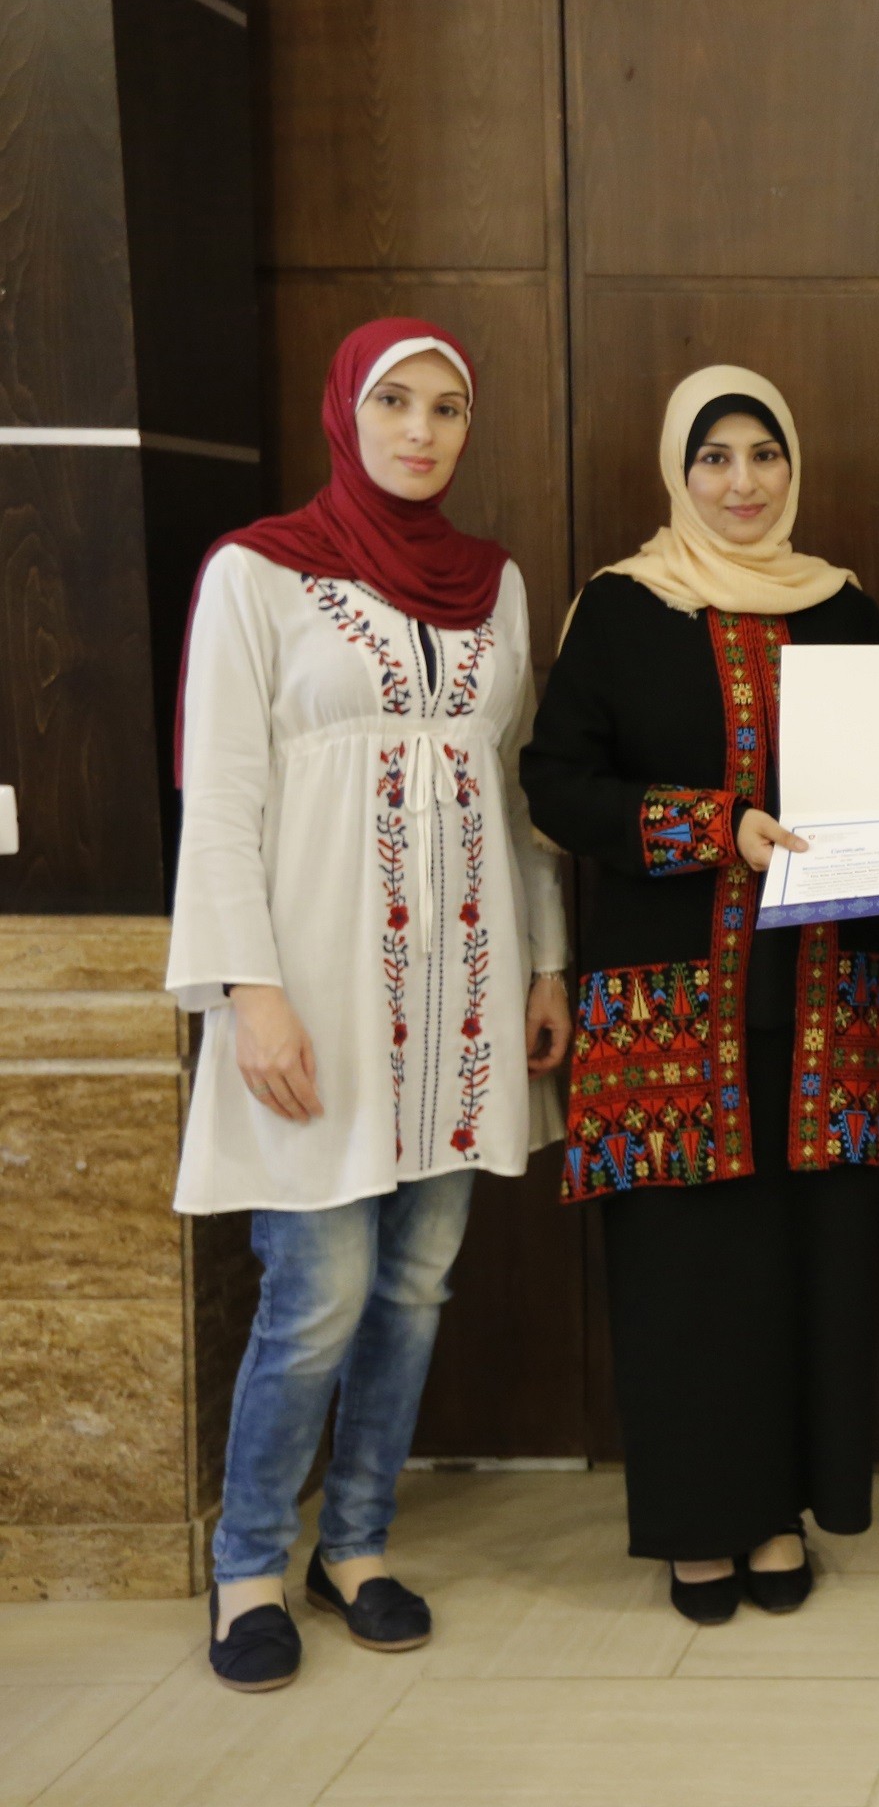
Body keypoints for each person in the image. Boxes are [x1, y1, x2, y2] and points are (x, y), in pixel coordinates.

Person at [168, 317, 571, 1693]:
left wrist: (547, 962)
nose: (421, 430)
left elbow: (515, 789)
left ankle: (357, 1544)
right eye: (396, 401)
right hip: (318, 998)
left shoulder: (492, 586)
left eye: (447, 408)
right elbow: (221, 794)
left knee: (415, 1282)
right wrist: (250, 993)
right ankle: (246, 1565)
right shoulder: (259, 573)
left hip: (461, 1000)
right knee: (319, 1291)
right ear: (347, 411)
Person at [520, 366, 879, 1625]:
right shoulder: (622, 607)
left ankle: (780, 1512)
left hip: (820, 1000)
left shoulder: (842, 609)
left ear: (792, 465)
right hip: (667, 1006)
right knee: (687, 1274)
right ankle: (700, 1528)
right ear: (677, 472)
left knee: (805, 1265)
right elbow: (556, 783)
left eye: (763, 455)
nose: (742, 483)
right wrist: (711, 826)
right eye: (714, 458)